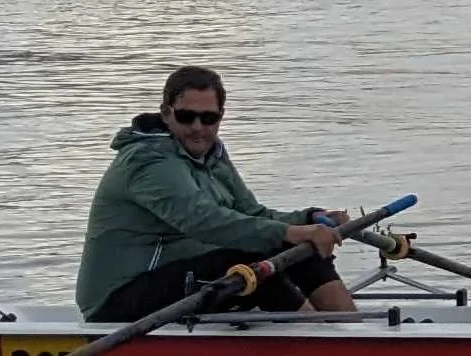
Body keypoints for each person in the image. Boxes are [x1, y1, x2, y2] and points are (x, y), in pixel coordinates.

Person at [75, 65, 362, 321]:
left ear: (220, 116)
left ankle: (353, 336)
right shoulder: (147, 160)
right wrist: (294, 232)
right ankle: (321, 351)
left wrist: (310, 219)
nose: (198, 128)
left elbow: (253, 215)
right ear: (166, 114)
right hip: (118, 298)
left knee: (296, 250)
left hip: (177, 275)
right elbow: (204, 220)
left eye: (208, 118)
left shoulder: (212, 154)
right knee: (250, 266)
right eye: (187, 117)